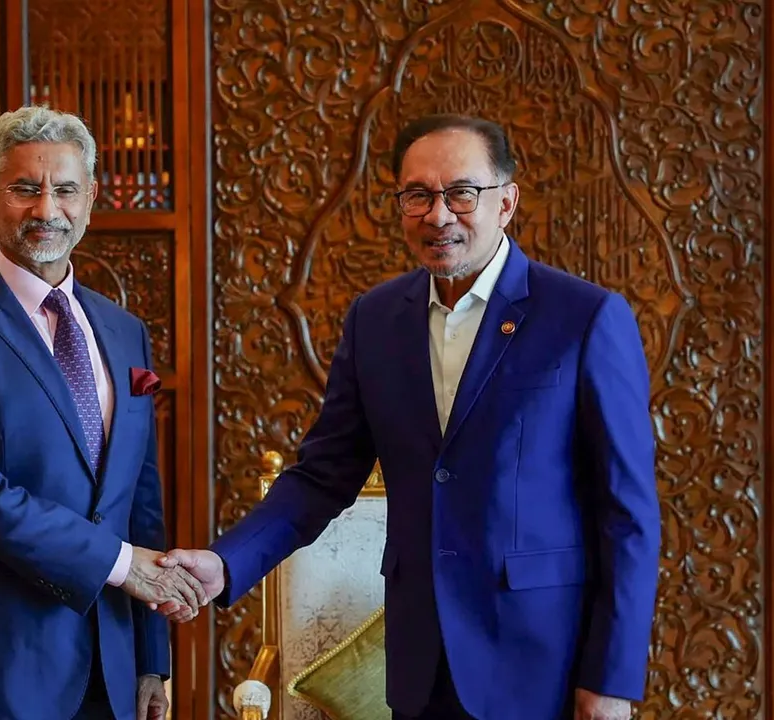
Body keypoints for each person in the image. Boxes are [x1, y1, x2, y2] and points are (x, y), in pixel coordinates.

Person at [161, 114, 661, 720]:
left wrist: (610, 681)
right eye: (418, 195)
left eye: (461, 193)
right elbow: (323, 475)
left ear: (506, 202)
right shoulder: (375, 320)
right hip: (420, 662)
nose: (439, 214)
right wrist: (224, 562)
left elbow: (627, 516)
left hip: (542, 665)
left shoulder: (584, 318)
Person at [0, 105, 206, 720]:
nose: (45, 210)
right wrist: (118, 565)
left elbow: (140, 503)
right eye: (25, 189)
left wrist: (150, 660)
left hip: (107, 671)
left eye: (64, 190)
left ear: (90, 198)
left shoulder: (125, 331)